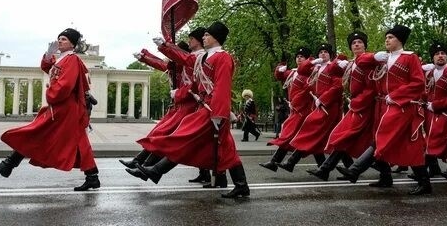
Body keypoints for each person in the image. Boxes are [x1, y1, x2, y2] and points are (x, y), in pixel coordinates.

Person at [131, 21, 250, 198]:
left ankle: (156, 169)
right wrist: (164, 46)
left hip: (212, 110)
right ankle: (241, 185)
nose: (204, 37)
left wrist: (218, 114)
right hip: (206, 108)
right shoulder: (203, 57)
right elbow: (184, 58)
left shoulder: (223, 57)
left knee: (183, 138)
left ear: (216, 38)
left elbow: (222, 87)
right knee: (225, 148)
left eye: (207, 35)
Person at [0, 28, 100, 191]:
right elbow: (50, 70)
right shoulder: (63, 59)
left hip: (64, 109)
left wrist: (49, 91)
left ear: (73, 44)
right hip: (62, 108)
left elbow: (65, 85)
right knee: (77, 140)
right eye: (59, 38)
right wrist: (47, 55)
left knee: (36, 132)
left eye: (64, 39)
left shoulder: (72, 60)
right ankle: (92, 177)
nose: (60, 41)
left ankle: (8, 165)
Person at [337, 25, 430, 195]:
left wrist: (396, 95)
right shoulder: (384, 58)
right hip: (386, 106)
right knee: (409, 146)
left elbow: (418, 83)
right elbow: (361, 60)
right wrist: (374, 56)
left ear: (400, 40)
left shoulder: (410, 58)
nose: (386, 40)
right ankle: (423, 182)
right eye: (386, 37)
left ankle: (355, 170)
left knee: (382, 137)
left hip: (403, 106)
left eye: (391, 37)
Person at [121, 28, 213, 185]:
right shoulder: (191, 60)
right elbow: (164, 65)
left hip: (191, 106)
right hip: (184, 106)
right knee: (181, 142)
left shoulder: (199, 59)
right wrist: (145, 57)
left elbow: (195, 85)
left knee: (171, 140)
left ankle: (146, 166)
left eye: (192, 38)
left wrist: (178, 94)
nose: (190, 41)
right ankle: (145, 165)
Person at [307, 31, 375, 181]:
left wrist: (358, 102)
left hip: (365, 107)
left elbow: (371, 88)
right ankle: (328, 169)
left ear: (365, 46)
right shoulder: (352, 63)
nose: (356, 45)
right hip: (356, 106)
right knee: (347, 138)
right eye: (353, 43)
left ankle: (327, 169)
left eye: (360, 42)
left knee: (348, 137)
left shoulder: (368, 62)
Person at [278, 44, 344, 173]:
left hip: (328, 107)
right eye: (320, 52)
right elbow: (301, 69)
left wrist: (323, 99)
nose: (323, 54)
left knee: (309, 133)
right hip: (317, 106)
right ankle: (326, 169)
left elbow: (337, 86)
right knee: (319, 138)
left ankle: (291, 162)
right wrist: (312, 62)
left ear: (330, 54)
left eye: (326, 52)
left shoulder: (333, 67)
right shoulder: (316, 68)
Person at [259, 46, 314, 172]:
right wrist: (280, 68)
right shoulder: (293, 72)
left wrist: (295, 103)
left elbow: (308, 91)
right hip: (295, 111)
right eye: (298, 57)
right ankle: (323, 167)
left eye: (302, 57)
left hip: (304, 110)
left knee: (297, 138)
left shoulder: (309, 74)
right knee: (295, 138)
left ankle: (278, 162)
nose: (299, 59)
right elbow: (279, 76)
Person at [420, 41, 447, 178]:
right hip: (432, 115)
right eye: (437, 54)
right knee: (429, 142)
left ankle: (421, 174)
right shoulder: (430, 73)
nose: (440, 56)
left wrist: (436, 105)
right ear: (433, 58)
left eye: (443, 53)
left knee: (435, 143)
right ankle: (431, 170)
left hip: (446, 114)